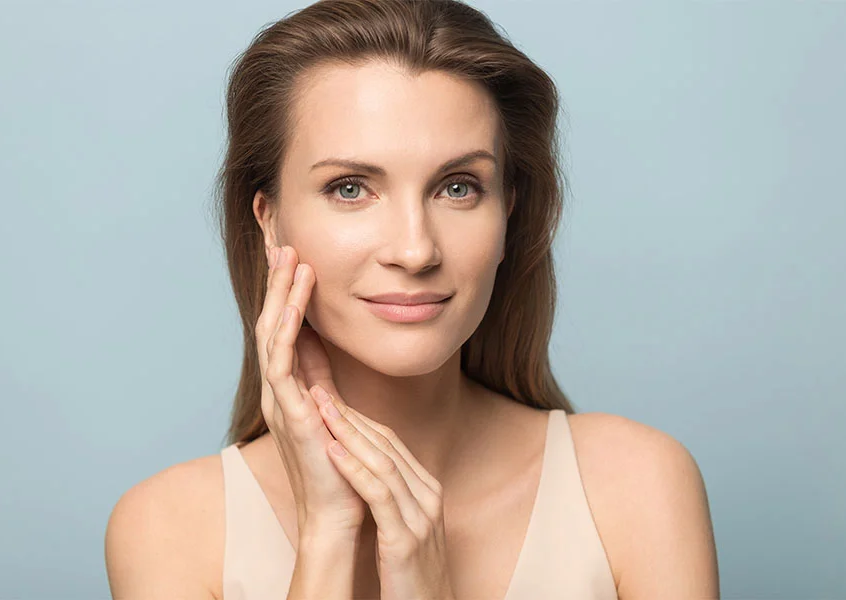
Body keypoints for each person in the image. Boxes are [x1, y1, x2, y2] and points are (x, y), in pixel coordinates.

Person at [104, 0, 719, 598]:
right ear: (269, 221)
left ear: (508, 213)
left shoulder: (637, 486)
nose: (415, 249)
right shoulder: (168, 529)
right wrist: (327, 536)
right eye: (350, 188)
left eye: (458, 187)